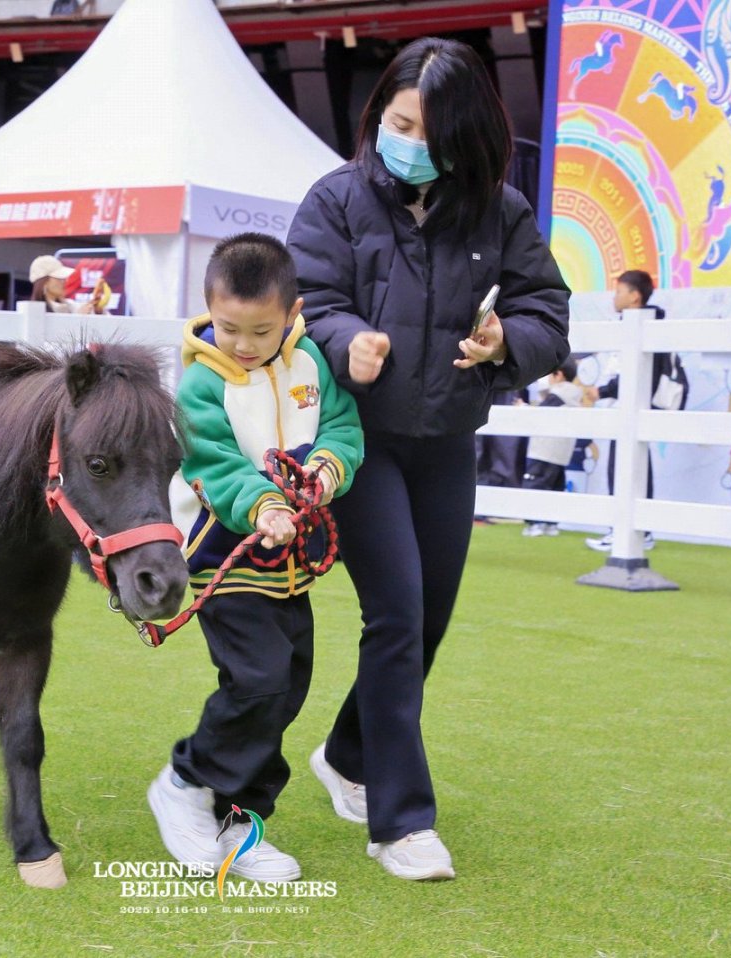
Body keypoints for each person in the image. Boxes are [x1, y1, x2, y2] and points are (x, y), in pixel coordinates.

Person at [287, 37, 570, 880]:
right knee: (398, 615)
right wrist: (348, 341)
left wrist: (504, 341)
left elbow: (548, 311)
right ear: (380, 113)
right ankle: (401, 821)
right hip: (355, 440)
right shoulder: (336, 198)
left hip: (447, 439)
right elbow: (308, 302)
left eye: (427, 131)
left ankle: (346, 754)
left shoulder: (499, 210)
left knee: (427, 623)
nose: (406, 140)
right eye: (397, 121)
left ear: (464, 136)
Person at [148, 233, 363, 882]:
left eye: (261, 331)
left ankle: (241, 820)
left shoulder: (311, 362)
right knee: (260, 680)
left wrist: (327, 469)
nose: (243, 343)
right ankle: (184, 782)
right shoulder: (199, 383)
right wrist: (264, 505)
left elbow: (342, 428)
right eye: (229, 327)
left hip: (294, 563)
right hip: (226, 557)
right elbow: (212, 463)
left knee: (286, 689)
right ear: (209, 308)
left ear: (293, 313)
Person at [584, 269, 687, 552]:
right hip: (629, 408)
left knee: (626, 468)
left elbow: (637, 375)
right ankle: (635, 530)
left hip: (635, 408)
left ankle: (628, 531)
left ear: (634, 296)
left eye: (619, 291)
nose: (614, 297)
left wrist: (603, 391)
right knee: (633, 467)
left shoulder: (647, 327)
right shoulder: (642, 325)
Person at [521, 356, 585, 537]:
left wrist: (523, 407)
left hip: (544, 449)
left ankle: (534, 523)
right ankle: (551, 523)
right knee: (556, 486)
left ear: (559, 375)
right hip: (561, 452)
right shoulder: (573, 395)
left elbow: (540, 414)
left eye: (550, 374)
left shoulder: (558, 394)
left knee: (535, 484)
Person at [28, 254, 93, 314]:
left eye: (64, 278)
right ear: (44, 282)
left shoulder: (70, 305)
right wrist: (79, 318)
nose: (64, 281)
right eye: (59, 278)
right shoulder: (33, 311)